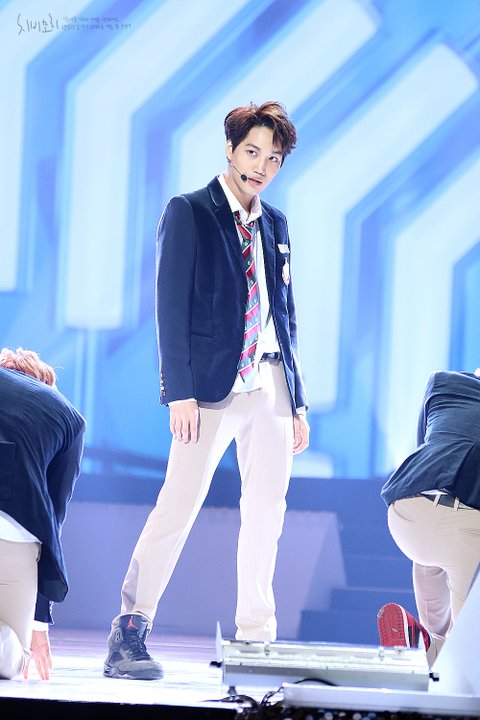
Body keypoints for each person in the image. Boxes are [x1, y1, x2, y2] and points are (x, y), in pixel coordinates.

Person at [104, 101, 310, 680]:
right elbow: (169, 307)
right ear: (230, 148)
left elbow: (285, 316)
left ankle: (255, 640)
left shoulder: (276, 225)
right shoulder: (190, 211)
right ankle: (130, 630)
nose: (262, 167)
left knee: (267, 511)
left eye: (274, 159)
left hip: (270, 382)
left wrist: (297, 400)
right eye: (253, 153)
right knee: (179, 502)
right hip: (211, 388)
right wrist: (179, 392)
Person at [377, 369, 480, 667]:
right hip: (464, 531)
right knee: (469, 646)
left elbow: (424, 445)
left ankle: (427, 642)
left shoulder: (443, 381)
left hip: (408, 511)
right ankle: (437, 651)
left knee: (430, 557)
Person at [0, 347, 86, 680]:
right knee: (13, 659)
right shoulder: (67, 416)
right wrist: (39, 622)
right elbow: (53, 515)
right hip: (14, 537)